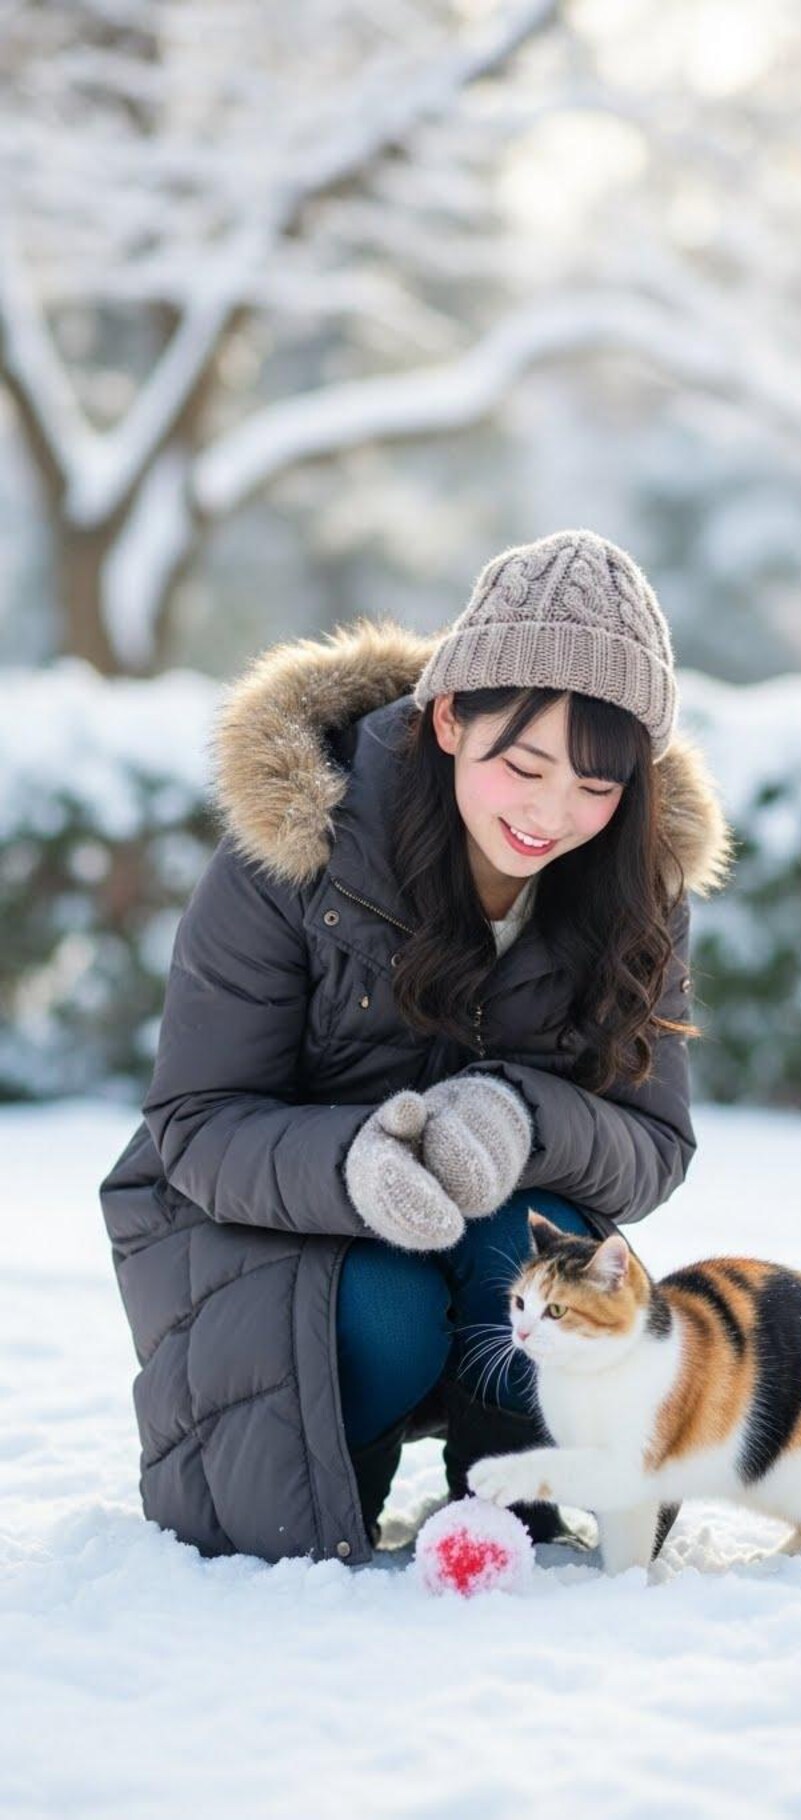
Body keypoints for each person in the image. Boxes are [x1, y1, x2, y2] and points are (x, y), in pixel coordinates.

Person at [99, 528, 733, 1567]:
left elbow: (653, 1142)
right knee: (387, 1308)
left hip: (487, 1236)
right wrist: (351, 1166)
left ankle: (507, 1482)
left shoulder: (635, 893)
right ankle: (339, 1469)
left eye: (596, 785)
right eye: (522, 763)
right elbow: (192, 1124)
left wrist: (524, 1121)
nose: (549, 812)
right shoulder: (294, 852)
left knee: (521, 1263)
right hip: (264, 1230)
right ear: (449, 717)